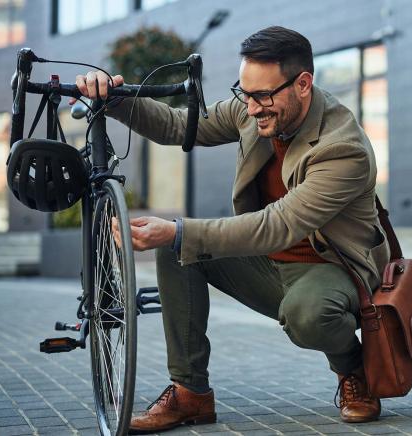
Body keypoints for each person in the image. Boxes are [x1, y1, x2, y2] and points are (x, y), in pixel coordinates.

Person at [75, 26, 391, 433]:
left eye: (263, 96)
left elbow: (278, 225)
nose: (252, 107)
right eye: (245, 93)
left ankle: (355, 370)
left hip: (330, 266)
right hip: (266, 261)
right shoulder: (251, 108)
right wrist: (113, 98)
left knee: (308, 315)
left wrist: (176, 230)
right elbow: (177, 126)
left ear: (303, 84)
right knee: (178, 248)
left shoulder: (342, 148)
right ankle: (190, 395)